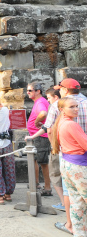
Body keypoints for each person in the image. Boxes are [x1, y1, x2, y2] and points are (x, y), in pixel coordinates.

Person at [51, 97, 87, 237]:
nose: (76, 109)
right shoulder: (71, 124)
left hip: (68, 164)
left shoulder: (61, 122)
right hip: (78, 166)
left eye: (76, 106)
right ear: (62, 110)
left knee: (76, 203)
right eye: (71, 107)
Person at [26, 82, 52, 196]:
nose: (28, 93)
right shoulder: (38, 101)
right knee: (35, 159)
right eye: (27, 90)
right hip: (36, 135)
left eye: (30, 90)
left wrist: (36, 121)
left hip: (41, 136)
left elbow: (43, 113)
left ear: (38, 91)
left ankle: (47, 187)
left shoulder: (40, 102)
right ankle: (36, 182)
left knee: (43, 162)